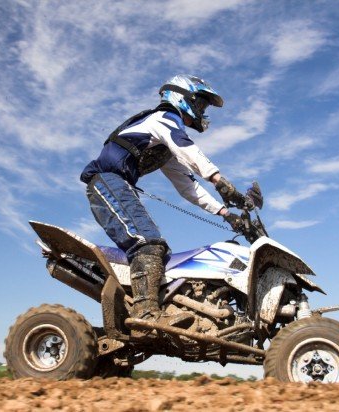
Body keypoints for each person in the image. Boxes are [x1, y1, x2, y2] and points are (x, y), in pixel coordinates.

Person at [80, 74, 247, 331]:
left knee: (160, 251)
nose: (202, 111)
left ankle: (156, 307)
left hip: (118, 185)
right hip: (107, 181)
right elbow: (188, 149)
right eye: (200, 103)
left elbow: (188, 186)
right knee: (148, 245)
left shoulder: (165, 145)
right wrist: (219, 180)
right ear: (182, 97)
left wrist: (225, 213)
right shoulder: (163, 119)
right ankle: (146, 315)